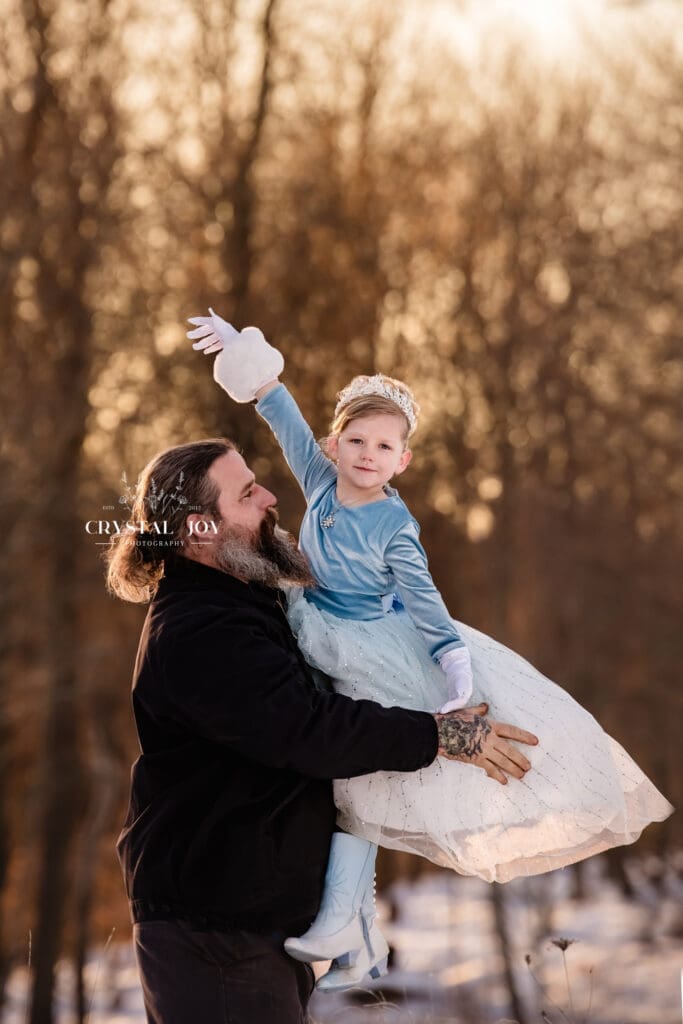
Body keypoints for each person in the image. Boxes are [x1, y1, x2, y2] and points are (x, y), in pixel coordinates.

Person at [188, 310, 674, 993]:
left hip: (374, 652)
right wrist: (250, 360)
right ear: (334, 443)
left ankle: (340, 922)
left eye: (384, 447)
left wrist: (455, 686)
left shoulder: (395, 526)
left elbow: (431, 611)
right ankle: (356, 940)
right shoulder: (321, 480)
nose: (366, 455)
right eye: (355, 440)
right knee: (340, 785)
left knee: (359, 789)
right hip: (316, 630)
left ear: (402, 460)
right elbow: (279, 413)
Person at [107, 436, 539, 1024]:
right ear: (199, 529)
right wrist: (443, 736)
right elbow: (309, 731)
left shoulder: (242, 606)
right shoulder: (200, 631)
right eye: (247, 492)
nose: (270, 498)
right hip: (215, 931)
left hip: (243, 923)